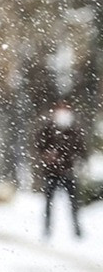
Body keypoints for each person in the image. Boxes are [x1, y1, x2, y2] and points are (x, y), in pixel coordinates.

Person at [35, 102, 86, 239]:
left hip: (68, 172)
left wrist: (77, 162)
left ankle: (77, 230)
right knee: (48, 203)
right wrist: (47, 155)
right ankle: (47, 229)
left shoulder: (74, 131)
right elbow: (39, 144)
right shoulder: (48, 129)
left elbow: (80, 149)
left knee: (73, 203)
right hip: (51, 173)